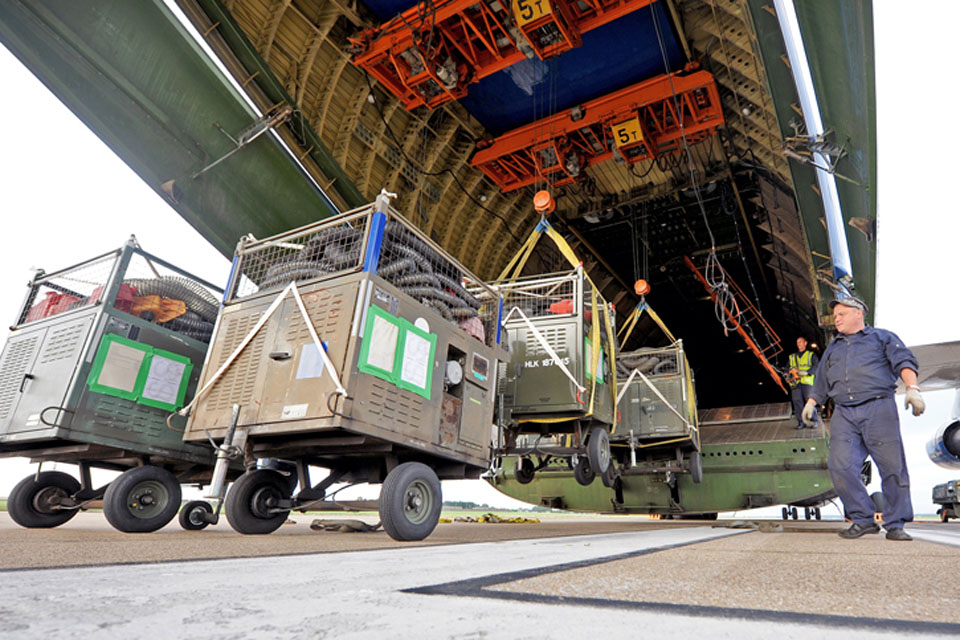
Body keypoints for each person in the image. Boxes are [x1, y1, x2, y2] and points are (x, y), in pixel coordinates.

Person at [801, 295, 925, 541]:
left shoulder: (882, 337)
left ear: (858, 313)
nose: (836, 319)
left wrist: (913, 389)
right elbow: (823, 380)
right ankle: (863, 519)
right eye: (835, 315)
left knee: (892, 467)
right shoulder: (833, 347)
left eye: (841, 314)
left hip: (878, 408)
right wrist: (811, 402)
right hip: (844, 412)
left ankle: (896, 523)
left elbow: (904, 361)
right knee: (840, 465)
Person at [788, 337, 819, 429]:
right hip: (796, 383)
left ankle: (814, 420)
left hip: (807, 382)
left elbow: (816, 366)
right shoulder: (792, 357)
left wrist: (807, 372)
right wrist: (788, 373)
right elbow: (787, 368)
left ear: (805, 343)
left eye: (800, 342)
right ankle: (801, 422)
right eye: (797, 342)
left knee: (809, 401)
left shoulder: (811, 355)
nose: (799, 344)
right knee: (797, 402)